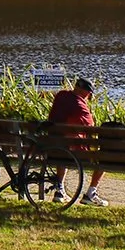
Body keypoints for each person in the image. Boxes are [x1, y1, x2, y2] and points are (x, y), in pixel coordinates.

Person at [47, 77, 109, 206]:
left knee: (63, 149)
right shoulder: (80, 105)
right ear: (85, 92)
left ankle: (59, 190)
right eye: (89, 93)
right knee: (105, 158)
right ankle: (90, 193)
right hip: (73, 153)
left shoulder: (61, 96)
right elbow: (91, 128)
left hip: (53, 149)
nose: (89, 96)